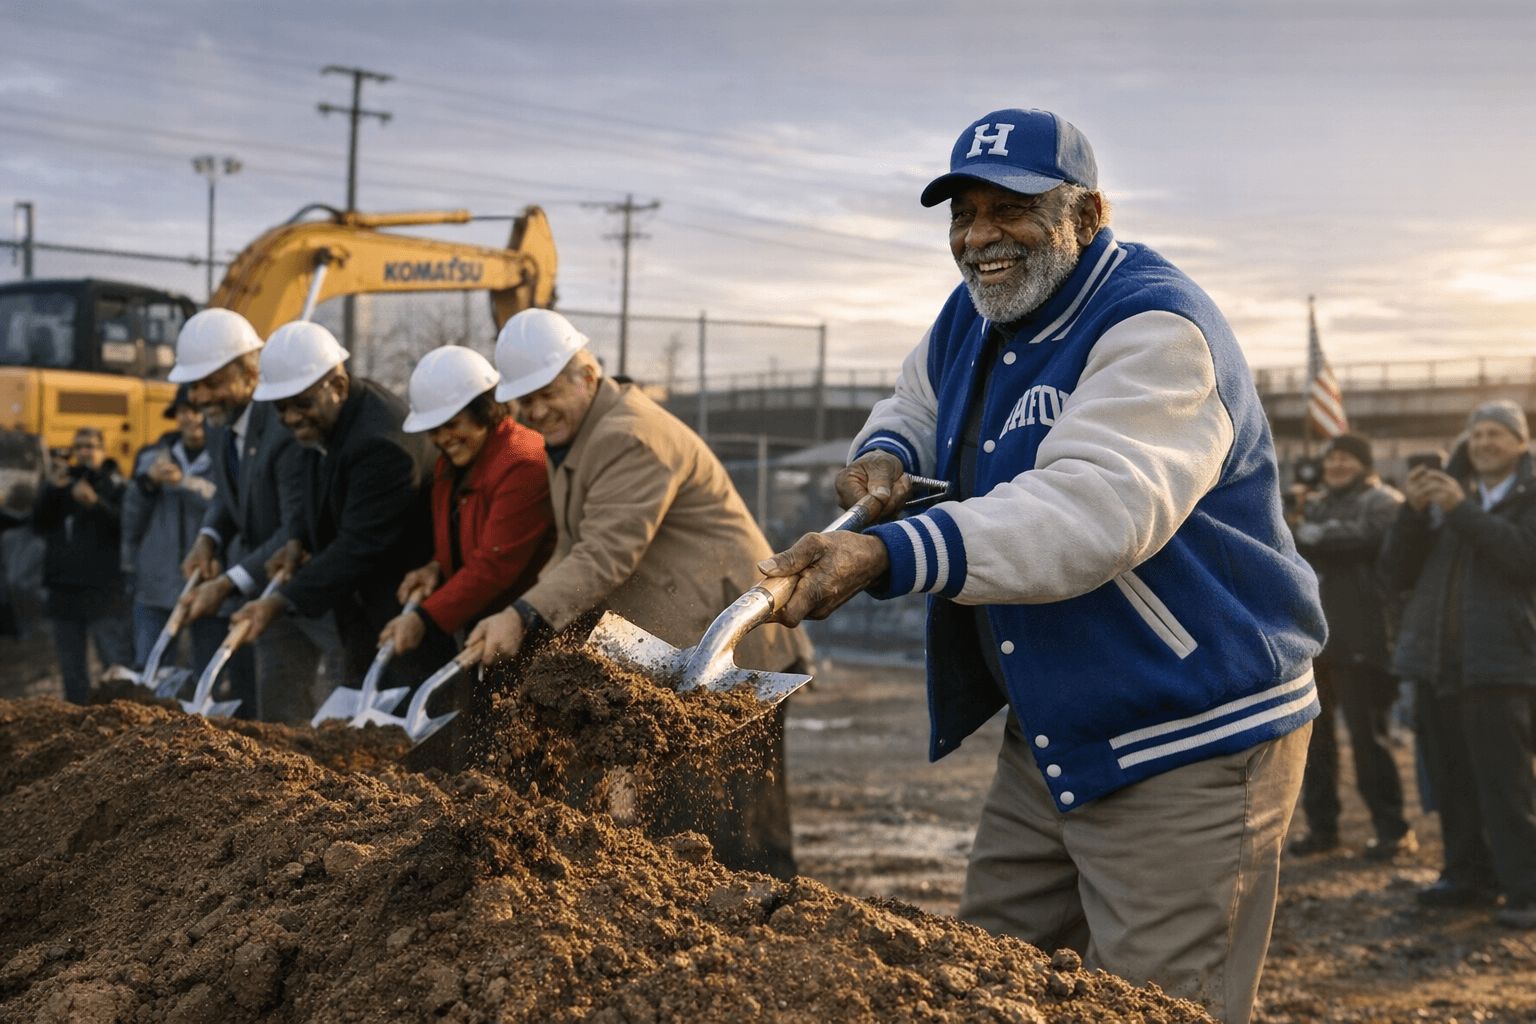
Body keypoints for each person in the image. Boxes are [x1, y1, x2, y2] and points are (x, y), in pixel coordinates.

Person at [757, 109, 1324, 1024]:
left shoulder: (1158, 328)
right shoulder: (976, 314)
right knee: (988, 982)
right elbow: (917, 393)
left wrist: (888, 552)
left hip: (1187, 734)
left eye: (1011, 208)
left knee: (1154, 1005)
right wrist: (888, 450)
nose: (980, 236)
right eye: (963, 213)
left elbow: (1096, 510)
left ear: (1088, 213)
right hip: (1056, 732)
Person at [471, 308, 812, 880]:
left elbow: (605, 552)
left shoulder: (629, 436)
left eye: (547, 393)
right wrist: (517, 614)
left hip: (724, 643)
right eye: (523, 402)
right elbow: (572, 547)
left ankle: (769, 937)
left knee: (735, 826)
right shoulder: (575, 442)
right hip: (671, 643)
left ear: (586, 375)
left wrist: (524, 612)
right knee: (679, 824)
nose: (535, 412)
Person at [229, 321, 453, 697]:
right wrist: (297, 540)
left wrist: (277, 603)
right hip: (362, 604)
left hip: (403, 601)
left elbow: (358, 546)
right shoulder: (330, 421)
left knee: (400, 712)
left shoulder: (381, 445)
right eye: (281, 409)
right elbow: (311, 479)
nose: (290, 418)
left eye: (301, 404)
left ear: (338, 386)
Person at [1381, 399, 1536, 929]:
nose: (1486, 443)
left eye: (1498, 433)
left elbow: (1523, 557)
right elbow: (1395, 572)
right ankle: (1466, 876)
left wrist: (1462, 512)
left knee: (1506, 783)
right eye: (1478, 434)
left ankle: (1526, 888)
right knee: (1451, 778)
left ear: (1521, 443)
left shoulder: (1527, 495)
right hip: (1438, 663)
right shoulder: (1446, 499)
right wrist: (1413, 512)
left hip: (1502, 662)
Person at [172, 308, 306, 722]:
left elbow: (294, 526)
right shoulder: (218, 424)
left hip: (304, 593)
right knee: (262, 710)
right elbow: (229, 495)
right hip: (259, 596)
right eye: (195, 386)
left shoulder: (285, 427)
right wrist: (208, 536)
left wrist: (229, 582)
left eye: (212, 383)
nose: (200, 397)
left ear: (251, 373)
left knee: (297, 716)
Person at [377, 345, 554, 656]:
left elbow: (495, 563)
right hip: (481, 626)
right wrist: (437, 566)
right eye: (433, 430)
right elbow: (462, 538)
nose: (443, 438)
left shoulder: (522, 463)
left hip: (527, 635)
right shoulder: (453, 464)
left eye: (452, 425)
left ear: (483, 410)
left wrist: (423, 618)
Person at [1289, 433, 1415, 859]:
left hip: (1365, 639)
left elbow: (1363, 538)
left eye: (1346, 458)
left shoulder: (1384, 501)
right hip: (1314, 642)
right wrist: (1301, 523)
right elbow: (1289, 543)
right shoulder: (1315, 504)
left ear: (1364, 463)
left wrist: (1310, 532)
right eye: (1331, 459)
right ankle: (1323, 829)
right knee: (1316, 743)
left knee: (1369, 740)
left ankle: (1392, 829)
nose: (1337, 466)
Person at [121, 385, 225, 680]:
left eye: (198, 411)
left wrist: (185, 483)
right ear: (176, 417)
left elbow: (227, 505)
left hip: (207, 579)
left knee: (208, 672)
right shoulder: (151, 458)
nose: (192, 418)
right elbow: (130, 518)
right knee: (149, 671)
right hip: (155, 579)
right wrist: (147, 484)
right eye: (184, 412)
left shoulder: (224, 457)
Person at [31, 426, 134, 703]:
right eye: (79, 447)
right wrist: (50, 489)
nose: (84, 452)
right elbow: (37, 523)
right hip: (63, 590)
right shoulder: (63, 482)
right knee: (72, 670)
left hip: (103, 589)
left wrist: (95, 503)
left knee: (113, 662)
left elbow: (127, 526)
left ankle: (120, 717)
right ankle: (79, 724)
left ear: (103, 448)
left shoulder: (118, 484)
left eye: (90, 446)